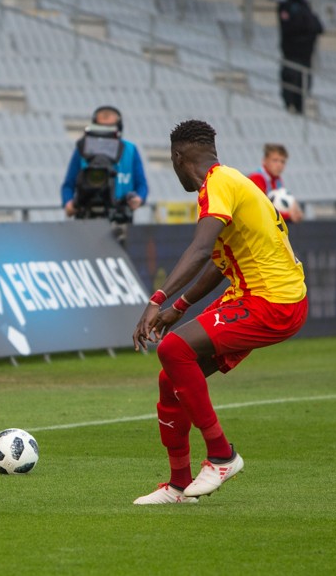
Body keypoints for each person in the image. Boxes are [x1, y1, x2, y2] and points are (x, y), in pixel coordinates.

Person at [131, 119, 308, 505]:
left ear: (179, 157)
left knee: (173, 349)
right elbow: (216, 262)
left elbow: (198, 250)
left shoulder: (218, 184)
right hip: (257, 296)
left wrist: (156, 299)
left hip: (273, 301)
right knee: (170, 379)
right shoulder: (231, 181)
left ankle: (222, 455)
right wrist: (178, 307)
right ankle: (179, 486)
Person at [60, 105, 148, 246]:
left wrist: (138, 198)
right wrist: (69, 203)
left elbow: (142, 185)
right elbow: (68, 185)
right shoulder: (82, 151)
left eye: (110, 128)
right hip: (86, 218)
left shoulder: (130, 150)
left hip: (120, 220)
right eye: (101, 127)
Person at [278, 0, 323, 114]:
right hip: (291, 54)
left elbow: (318, 27)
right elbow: (290, 28)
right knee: (291, 84)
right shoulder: (286, 6)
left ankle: (299, 109)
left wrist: (305, 27)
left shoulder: (305, 6)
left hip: (305, 56)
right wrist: (306, 28)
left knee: (304, 86)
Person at [247, 143, 304, 223]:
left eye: (282, 162)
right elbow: (261, 209)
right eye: (275, 160)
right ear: (264, 161)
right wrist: (288, 215)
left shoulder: (277, 180)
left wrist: (296, 211)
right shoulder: (257, 178)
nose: (279, 165)